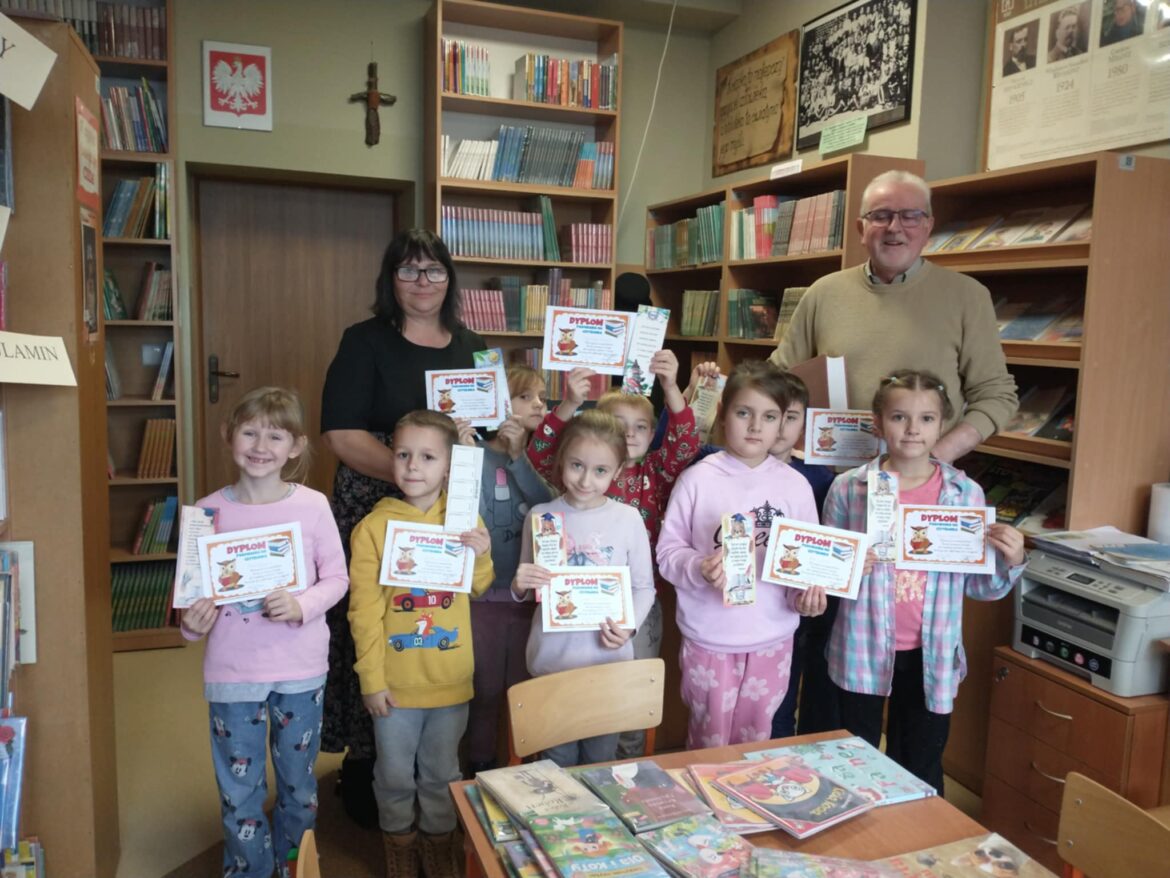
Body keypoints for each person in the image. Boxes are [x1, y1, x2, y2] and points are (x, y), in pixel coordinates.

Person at [320, 228, 485, 825]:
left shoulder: (473, 346)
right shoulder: (364, 341)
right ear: (391, 279)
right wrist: (410, 480)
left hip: (445, 511)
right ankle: (368, 768)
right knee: (372, 623)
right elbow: (340, 432)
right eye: (409, 270)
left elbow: (485, 434)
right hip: (375, 505)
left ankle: (434, 778)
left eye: (434, 270)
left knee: (437, 614)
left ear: (450, 278)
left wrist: (504, 436)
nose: (423, 281)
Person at [823, 370, 1026, 795]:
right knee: (851, 759)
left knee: (919, 763)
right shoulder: (849, 489)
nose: (913, 429)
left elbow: (980, 587)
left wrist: (1013, 559)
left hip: (929, 652)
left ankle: (916, 845)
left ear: (943, 425)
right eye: (899, 417)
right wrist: (843, 570)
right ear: (878, 423)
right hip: (860, 646)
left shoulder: (963, 493)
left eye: (927, 419)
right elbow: (829, 577)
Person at [181, 387, 349, 878]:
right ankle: (248, 871)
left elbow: (337, 579)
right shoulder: (206, 513)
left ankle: (298, 869)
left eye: (275, 435)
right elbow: (193, 604)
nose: (260, 445)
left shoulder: (313, 506)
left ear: (295, 446)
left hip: (300, 671)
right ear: (228, 436)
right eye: (249, 432)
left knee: (299, 790)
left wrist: (300, 605)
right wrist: (192, 626)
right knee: (240, 793)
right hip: (233, 675)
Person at [769, 169, 1018, 464]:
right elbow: (776, 380)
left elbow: (997, 396)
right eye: (881, 215)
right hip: (830, 476)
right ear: (861, 230)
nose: (894, 227)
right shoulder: (823, 293)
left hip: (918, 483)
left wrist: (938, 456)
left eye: (910, 216)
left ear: (928, 227)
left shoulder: (969, 297)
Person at [526, 352, 703, 758]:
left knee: (627, 700)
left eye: (641, 426)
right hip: (569, 625)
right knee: (569, 716)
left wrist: (672, 388)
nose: (631, 433)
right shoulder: (577, 479)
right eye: (619, 426)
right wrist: (569, 403)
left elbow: (685, 445)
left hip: (637, 608)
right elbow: (541, 453)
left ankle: (626, 775)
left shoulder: (654, 472)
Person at [347, 410, 494, 878]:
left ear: (449, 465)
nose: (413, 466)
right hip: (395, 686)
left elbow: (479, 587)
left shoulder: (465, 517)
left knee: (442, 775)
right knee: (392, 776)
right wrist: (372, 680)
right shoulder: (373, 528)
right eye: (404, 454)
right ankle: (400, 846)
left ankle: (437, 845)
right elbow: (364, 612)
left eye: (428, 457)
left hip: (451, 681)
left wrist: (483, 555)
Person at [657, 361, 826, 749]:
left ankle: (746, 810)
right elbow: (667, 554)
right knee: (708, 740)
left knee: (757, 743)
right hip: (710, 638)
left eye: (769, 417)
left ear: (783, 423)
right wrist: (699, 567)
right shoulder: (697, 478)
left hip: (773, 638)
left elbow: (805, 565)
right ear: (722, 413)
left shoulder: (795, 486)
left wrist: (807, 598)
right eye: (743, 412)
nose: (755, 426)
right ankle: (707, 808)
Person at [511, 409, 656, 766]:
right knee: (556, 760)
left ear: (618, 471)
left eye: (601, 471)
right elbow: (530, 588)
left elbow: (644, 587)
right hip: (552, 663)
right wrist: (519, 583)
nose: (586, 480)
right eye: (577, 465)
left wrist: (628, 627)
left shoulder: (628, 519)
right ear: (561, 461)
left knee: (600, 762)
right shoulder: (540, 517)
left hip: (607, 666)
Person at [465, 365, 553, 775]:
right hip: (479, 596)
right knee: (482, 691)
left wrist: (519, 458)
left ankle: (525, 769)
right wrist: (461, 454)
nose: (539, 404)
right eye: (526, 396)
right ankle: (479, 766)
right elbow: (454, 509)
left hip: (526, 599)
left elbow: (548, 508)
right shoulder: (471, 452)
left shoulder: (542, 455)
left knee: (523, 690)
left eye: (541, 396)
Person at [761, 371, 839, 739]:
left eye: (790, 418)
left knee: (783, 701)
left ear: (805, 423)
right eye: (771, 414)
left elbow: (831, 543)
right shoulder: (718, 464)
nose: (778, 428)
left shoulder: (821, 478)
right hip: (742, 609)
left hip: (796, 610)